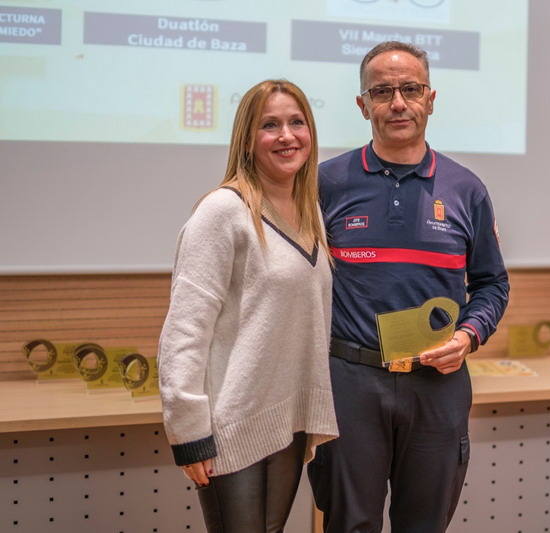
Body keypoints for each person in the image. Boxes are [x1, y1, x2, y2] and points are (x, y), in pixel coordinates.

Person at [307, 41, 509, 532]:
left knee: (424, 523)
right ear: (362, 105)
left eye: (410, 89)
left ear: (430, 98)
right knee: (348, 523)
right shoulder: (325, 183)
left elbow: (491, 284)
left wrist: (466, 337)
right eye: (382, 91)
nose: (397, 103)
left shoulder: (466, 189)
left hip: (435, 384)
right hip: (349, 381)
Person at [158, 79, 338, 533]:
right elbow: (185, 329)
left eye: (297, 122)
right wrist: (188, 431)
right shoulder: (222, 211)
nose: (286, 136)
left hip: (288, 419)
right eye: (270, 125)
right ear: (247, 139)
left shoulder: (311, 214)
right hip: (231, 424)